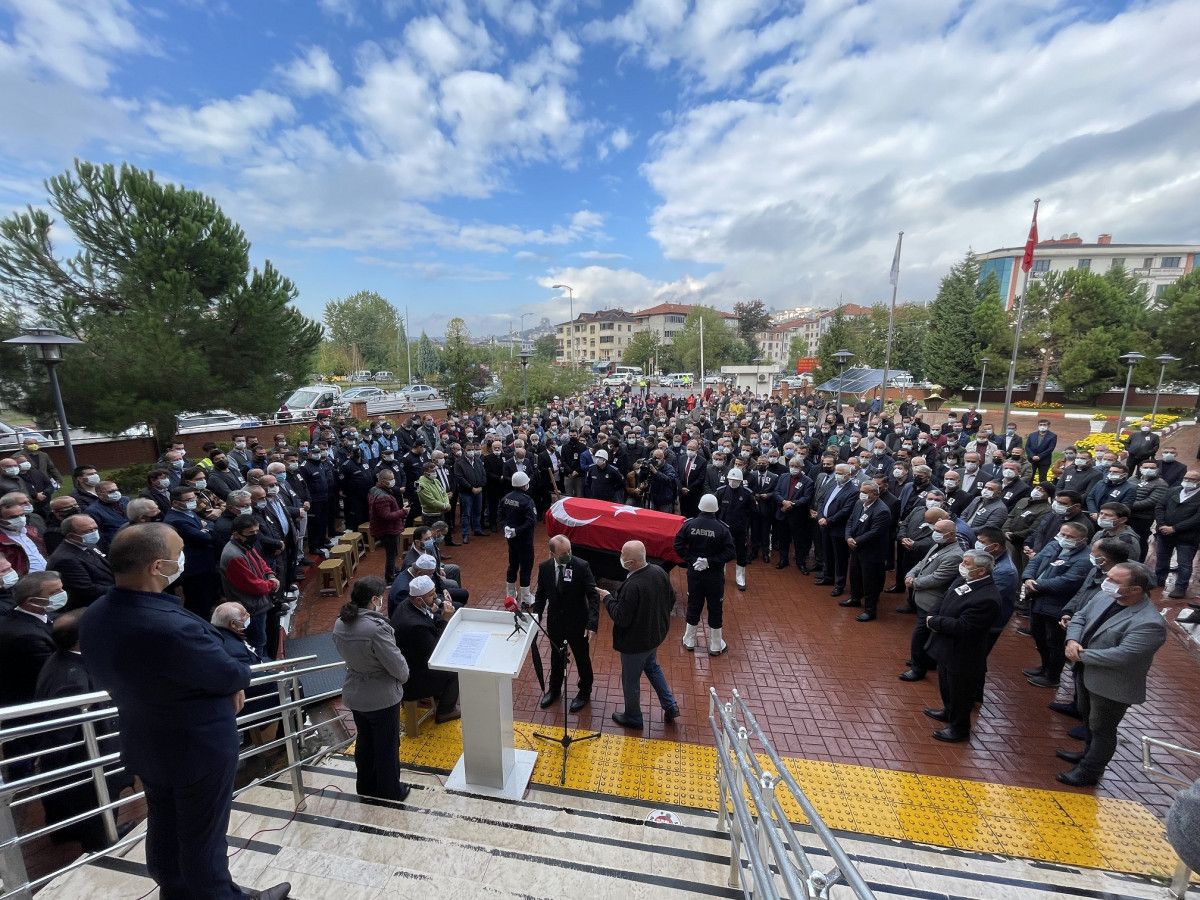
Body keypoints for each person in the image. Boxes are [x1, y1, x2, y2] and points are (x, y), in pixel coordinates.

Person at [79, 524, 289, 900]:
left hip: (146, 739)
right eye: (178, 553)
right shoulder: (170, 627)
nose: (183, 559)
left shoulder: (96, 614)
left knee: (164, 822)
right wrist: (231, 682)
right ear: (158, 566)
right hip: (197, 746)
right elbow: (232, 673)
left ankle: (174, 889)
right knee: (203, 835)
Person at [1055, 562, 1166, 786]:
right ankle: (1088, 754)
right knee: (1088, 720)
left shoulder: (1150, 623)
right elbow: (1080, 617)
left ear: (1135, 589)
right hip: (1086, 674)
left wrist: (1080, 655)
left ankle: (1089, 771)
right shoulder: (1106, 596)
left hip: (1111, 686)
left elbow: (1123, 656)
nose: (1106, 582)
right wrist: (1072, 640)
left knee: (1102, 730)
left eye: (1115, 580)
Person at [33, 608, 136, 852]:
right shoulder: (73, 677)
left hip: (90, 761)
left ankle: (94, 831)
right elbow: (61, 733)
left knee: (98, 808)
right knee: (98, 811)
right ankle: (103, 846)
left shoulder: (64, 659)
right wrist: (55, 775)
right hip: (89, 764)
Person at [333, 576, 412, 802]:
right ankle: (391, 791)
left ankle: (366, 785)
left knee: (365, 741)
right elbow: (399, 668)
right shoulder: (376, 629)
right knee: (387, 746)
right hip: (382, 698)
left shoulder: (340, 623)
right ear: (374, 599)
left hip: (355, 693)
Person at [922, 550, 1002, 743]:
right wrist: (932, 614)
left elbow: (965, 627)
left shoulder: (987, 598)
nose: (962, 566)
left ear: (981, 571)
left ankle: (959, 728)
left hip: (963, 653)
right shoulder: (964, 581)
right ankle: (948, 711)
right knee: (946, 685)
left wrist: (935, 622)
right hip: (947, 647)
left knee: (960, 692)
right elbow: (944, 599)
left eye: (967, 563)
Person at [602, 541, 678, 729]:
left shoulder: (632, 585)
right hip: (654, 636)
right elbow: (671, 598)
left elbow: (621, 617)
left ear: (632, 563)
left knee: (630, 680)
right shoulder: (659, 572)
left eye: (623, 555)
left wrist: (607, 598)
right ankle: (670, 705)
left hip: (635, 644)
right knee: (652, 667)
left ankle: (633, 716)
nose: (620, 557)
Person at [532, 536, 599, 712]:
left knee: (581, 658)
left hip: (578, 622)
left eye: (569, 550)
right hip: (555, 622)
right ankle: (554, 689)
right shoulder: (545, 568)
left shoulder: (581, 566)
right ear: (552, 553)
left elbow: (593, 596)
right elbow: (541, 594)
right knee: (556, 657)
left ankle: (584, 691)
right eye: (563, 553)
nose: (568, 555)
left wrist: (592, 623)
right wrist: (536, 617)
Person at [1022, 521, 1092, 688]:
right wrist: (1028, 577)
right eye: (1062, 534)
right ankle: (1044, 667)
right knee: (1039, 636)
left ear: (1082, 540)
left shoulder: (1084, 559)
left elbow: (1067, 581)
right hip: (1038, 599)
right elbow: (1035, 562)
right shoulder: (1054, 545)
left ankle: (1053, 676)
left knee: (1054, 642)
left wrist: (1037, 584)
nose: (1064, 538)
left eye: (1070, 537)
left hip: (1057, 605)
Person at [898, 519, 963, 682]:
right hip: (921, 597)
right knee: (925, 634)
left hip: (932, 602)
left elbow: (937, 578)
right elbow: (922, 563)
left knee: (920, 635)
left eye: (939, 531)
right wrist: (910, 574)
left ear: (950, 534)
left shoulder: (955, 555)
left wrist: (914, 582)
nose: (935, 533)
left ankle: (918, 668)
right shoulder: (938, 545)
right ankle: (925, 660)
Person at [390, 574, 460, 723]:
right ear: (418, 599)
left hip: (411, 661)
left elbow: (429, 622)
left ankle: (439, 694)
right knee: (455, 670)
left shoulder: (407, 604)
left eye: (434, 592)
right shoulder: (415, 625)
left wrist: (437, 615)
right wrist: (445, 620)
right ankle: (445, 711)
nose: (436, 597)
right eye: (431, 595)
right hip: (412, 679)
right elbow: (435, 651)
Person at [219, 515, 280, 659]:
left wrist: (270, 574)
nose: (255, 535)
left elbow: (260, 562)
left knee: (263, 639)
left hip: (258, 603)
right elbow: (252, 585)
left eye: (257, 531)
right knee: (258, 643)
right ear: (236, 534)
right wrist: (272, 584)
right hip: (250, 608)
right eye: (251, 533)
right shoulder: (233, 555)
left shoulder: (245, 545)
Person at [840, 481, 892, 622]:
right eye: (861, 491)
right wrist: (848, 537)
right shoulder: (859, 503)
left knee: (870, 582)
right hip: (856, 549)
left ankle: (870, 610)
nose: (861, 494)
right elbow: (850, 521)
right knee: (855, 575)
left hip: (872, 552)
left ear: (875, 494)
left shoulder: (882, 510)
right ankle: (855, 598)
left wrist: (855, 541)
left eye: (865, 492)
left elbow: (875, 532)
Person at [46, 514, 114, 610]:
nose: (94, 533)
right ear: (71, 536)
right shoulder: (66, 559)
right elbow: (87, 590)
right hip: (91, 606)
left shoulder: (88, 544)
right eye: (89, 531)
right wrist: (121, 588)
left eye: (95, 529)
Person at [1154, 469, 1200, 600]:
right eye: (1186, 478)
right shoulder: (1173, 490)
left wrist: (1175, 528)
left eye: (1192, 479)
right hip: (1164, 533)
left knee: (1184, 564)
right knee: (1161, 559)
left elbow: (1197, 518)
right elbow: (1160, 507)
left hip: (1187, 537)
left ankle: (1180, 587)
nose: (1188, 481)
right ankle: (1159, 581)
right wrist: (1161, 524)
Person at [501, 471, 538, 604]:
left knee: (512, 565)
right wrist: (517, 531)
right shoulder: (527, 501)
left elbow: (501, 515)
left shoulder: (505, 498)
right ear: (524, 485)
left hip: (511, 540)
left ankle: (510, 594)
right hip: (525, 540)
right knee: (526, 568)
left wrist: (506, 527)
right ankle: (526, 598)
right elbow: (531, 521)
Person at [715, 469, 754, 590]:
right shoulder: (720, 492)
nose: (733, 482)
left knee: (741, 552)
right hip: (723, 529)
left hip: (740, 529)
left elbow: (752, 511)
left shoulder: (747, 494)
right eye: (731, 479)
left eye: (736, 480)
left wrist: (745, 523)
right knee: (720, 551)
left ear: (741, 481)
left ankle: (740, 578)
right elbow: (715, 510)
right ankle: (720, 574)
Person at [368, 468, 408, 584]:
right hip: (388, 530)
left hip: (385, 528)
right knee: (391, 554)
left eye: (393, 478)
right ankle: (390, 577)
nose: (393, 481)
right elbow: (387, 516)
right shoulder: (383, 497)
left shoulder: (374, 490)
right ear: (382, 480)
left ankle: (393, 570)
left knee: (392, 553)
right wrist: (403, 512)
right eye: (390, 479)